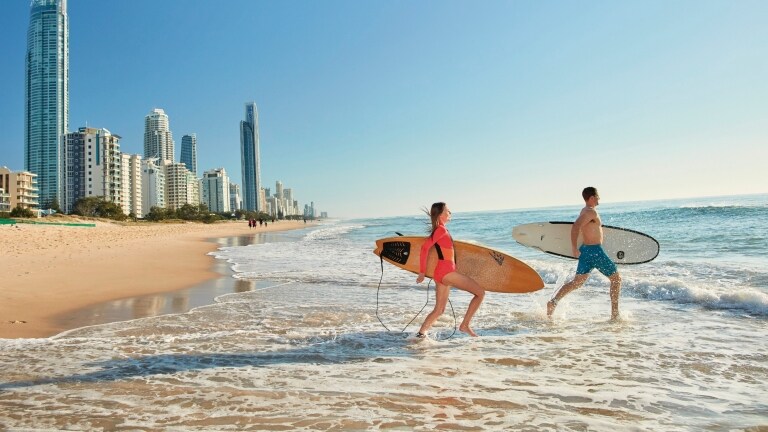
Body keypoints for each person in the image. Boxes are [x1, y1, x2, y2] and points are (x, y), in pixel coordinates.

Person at [547, 187, 622, 320]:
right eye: (597, 196)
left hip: (586, 251)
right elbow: (576, 226)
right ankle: (615, 314)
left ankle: (553, 302)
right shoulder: (591, 212)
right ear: (592, 198)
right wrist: (573, 247)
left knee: (577, 282)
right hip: (595, 251)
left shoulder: (584, 211)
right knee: (616, 279)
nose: (599, 199)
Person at [416, 202, 485, 337]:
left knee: (439, 310)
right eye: (448, 211)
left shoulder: (441, 230)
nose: (450, 213)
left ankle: (421, 334)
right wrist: (422, 272)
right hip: (446, 273)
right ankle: (465, 325)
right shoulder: (441, 230)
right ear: (440, 215)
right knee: (480, 293)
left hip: (441, 274)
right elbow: (425, 248)